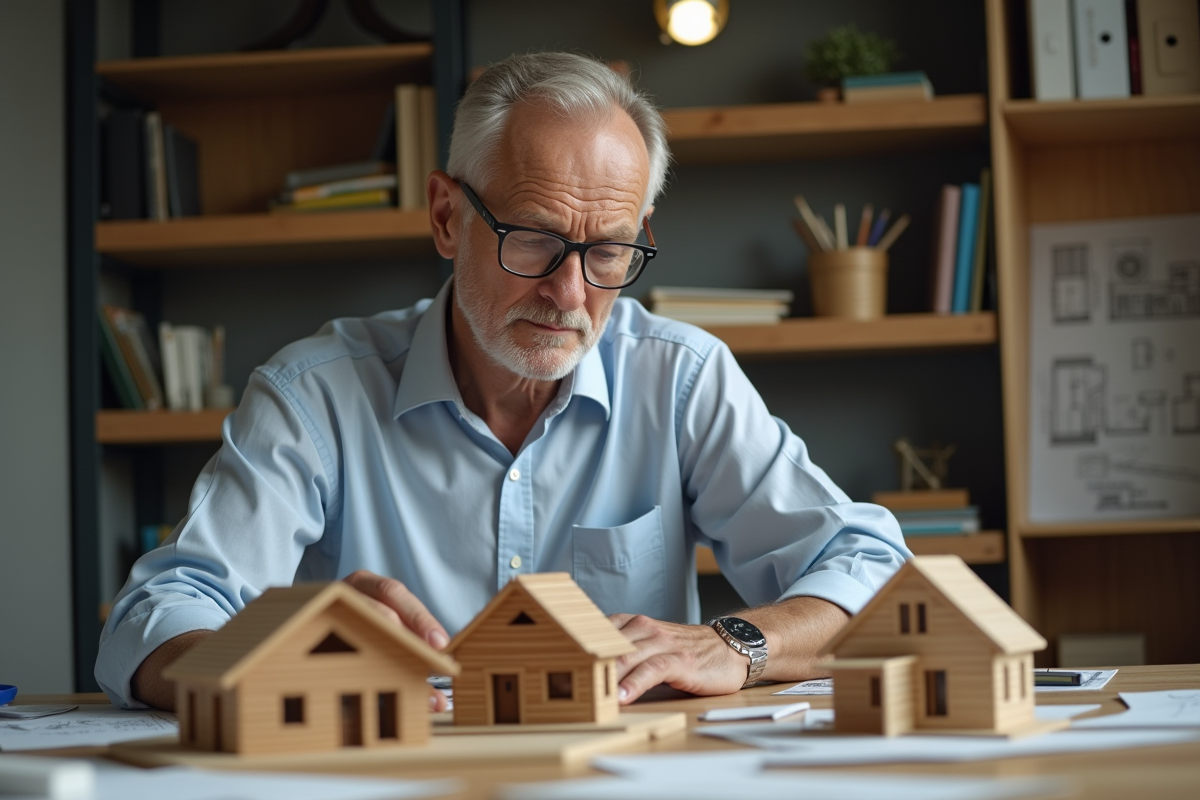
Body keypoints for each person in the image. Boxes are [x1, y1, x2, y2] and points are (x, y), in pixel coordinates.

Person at [96, 52, 909, 712]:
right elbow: (153, 619)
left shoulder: (680, 377)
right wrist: (262, 653)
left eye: (608, 252)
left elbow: (870, 565)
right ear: (447, 218)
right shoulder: (315, 396)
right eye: (533, 240)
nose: (569, 293)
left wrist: (738, 642)